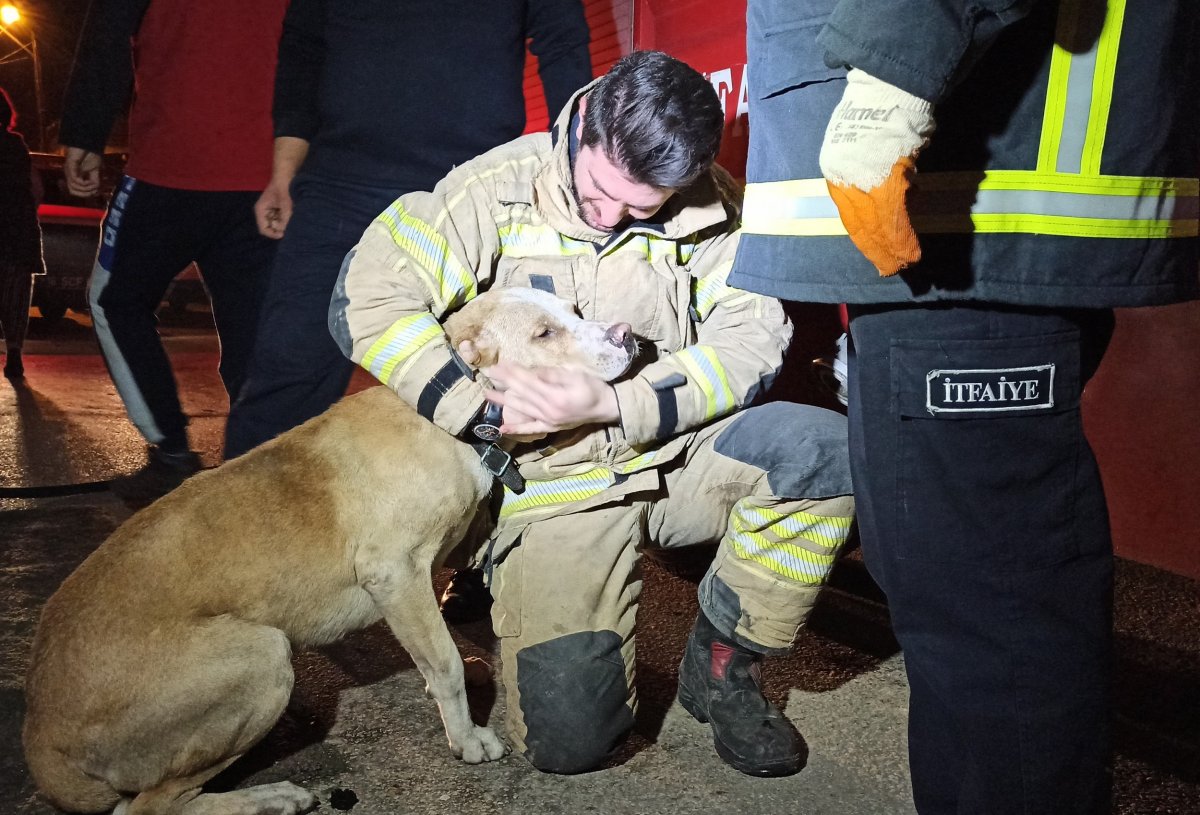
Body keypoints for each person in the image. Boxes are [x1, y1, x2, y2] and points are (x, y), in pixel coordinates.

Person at [331, 50, 856, 777]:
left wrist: (616, 402)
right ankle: (509, 572)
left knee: (829, 453)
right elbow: (366, 298)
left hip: (674, 453)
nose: (608, 217)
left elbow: (751, 342)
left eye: (642, 208)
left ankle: (726, 666)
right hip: (556, 490)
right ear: (585, 127)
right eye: (598, 191)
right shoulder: (493, 191)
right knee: (570, 744)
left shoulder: (715, 207)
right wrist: (477, 411)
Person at [730, 1, 1199, 812]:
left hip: (966, 201)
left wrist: (893, 73)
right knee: (960, 600)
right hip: (944, 217)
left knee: (994, 627)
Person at [221, 0, 593, 462]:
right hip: (340, 186)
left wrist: (572, 167)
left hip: (471, 191)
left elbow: (562, 43)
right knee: (285, 380)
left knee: (478, 380)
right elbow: (303, 51)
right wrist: (283, 174)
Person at [59, 0, 288, 503]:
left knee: (114, 301)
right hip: (266, 171)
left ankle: (172, 453)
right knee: (252, 328)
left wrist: (85, 131)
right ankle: (262, 464)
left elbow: (109, 35)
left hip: (171, 163)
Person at [0, 87, 44, 381]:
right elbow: (36, 189)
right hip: (17, 229)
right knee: (15, 295)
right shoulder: (17, 146)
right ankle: (14, 353)